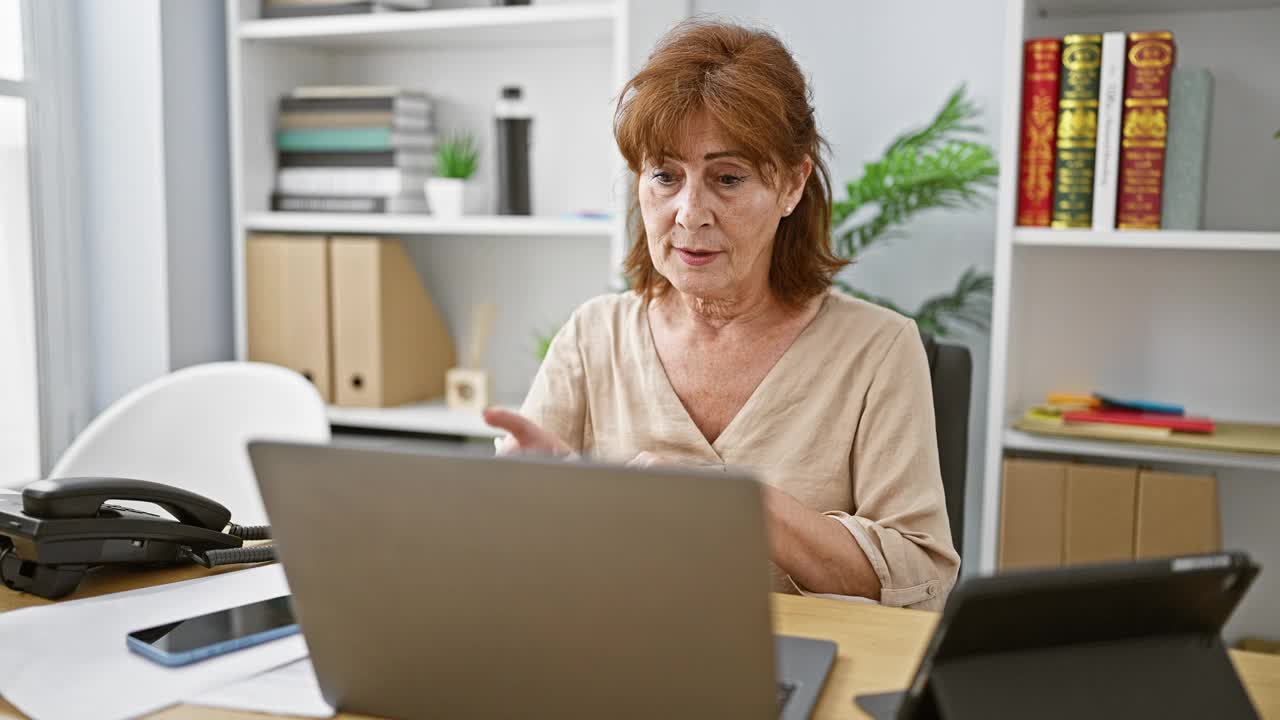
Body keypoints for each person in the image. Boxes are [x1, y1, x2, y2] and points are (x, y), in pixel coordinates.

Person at [484, 19, 958, 610]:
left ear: (791, 184)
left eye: (727, 178)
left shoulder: (880, 349)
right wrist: (539, 502)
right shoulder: (592, 336)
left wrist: (741, 505)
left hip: (799, 670)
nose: (688, 213)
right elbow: (510, 553)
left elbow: (923, 578)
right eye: (665, 176)